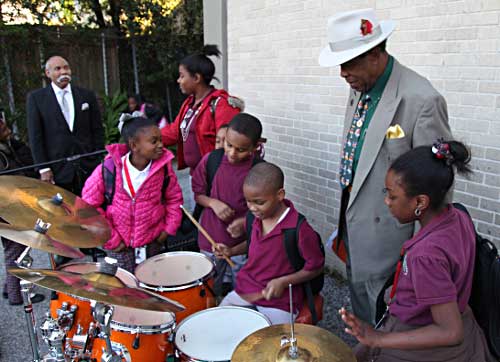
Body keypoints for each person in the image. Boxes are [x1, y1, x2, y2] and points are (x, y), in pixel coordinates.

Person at [319, 9, 452, 323]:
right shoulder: (360, 87)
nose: (342, 73)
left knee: (391, 322)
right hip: (354, 225)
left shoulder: (422, 99)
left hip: (394, 241)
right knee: (364, 313)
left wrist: (421, 254)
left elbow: (437, 185)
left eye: (349, 63)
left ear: (376, 55)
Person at [340, 140, 495, 362]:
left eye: (392, 196)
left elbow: (450, 332)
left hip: (425, 343)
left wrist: (378, 339)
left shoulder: (425, 256)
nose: (387, 201)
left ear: (420, 201)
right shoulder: (458, 216)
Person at [217, 162, 325, 325]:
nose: (252, 207)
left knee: (272, 343)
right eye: (248, 201)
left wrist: (283, 281)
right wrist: (231, 251)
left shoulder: (299, 228)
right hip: (249, 287)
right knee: (220, 321)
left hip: (280, 301)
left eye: (259, 202)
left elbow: (315, 267)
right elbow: (255, 245)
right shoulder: (254, 217)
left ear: (280, 195)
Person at [82, 116, 183, 273]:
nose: (161, 145)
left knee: (151, 284)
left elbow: (174, 200)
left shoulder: (164, 169)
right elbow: (88, 206)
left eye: (161, 140)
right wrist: (111, 239)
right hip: (118, 246)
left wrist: (167, 230)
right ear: (134, 145)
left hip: (152, 242)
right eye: (154, 141)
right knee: (123, 289)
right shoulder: (109, 168)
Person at [191, 113, 262, 290]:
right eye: (228, 145)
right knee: (209, 290)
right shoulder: (212, 160)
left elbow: (265, 209)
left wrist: (246, 221)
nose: (232, 153)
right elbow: (198, 194)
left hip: (243, 246)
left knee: (242, 290)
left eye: (241, 149)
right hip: (210, 240)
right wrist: (213, 203)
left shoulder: (259, 171)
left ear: (255, 147)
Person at [26, 55, 104, 196]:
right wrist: (43, 168)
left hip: (88, 167)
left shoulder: (86, 95)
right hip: (58, 170)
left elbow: (97, 129)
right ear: (48, 73)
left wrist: (97, 158)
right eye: (58, 69)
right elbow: (35, 137)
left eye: (66, 68)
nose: (64, 72)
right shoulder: (36, 99)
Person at [161, 44, 243, 174]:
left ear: (197, 78)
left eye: (182, 76)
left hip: (215, 176)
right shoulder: (189, 104)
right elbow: (174, 132)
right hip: (196, 175)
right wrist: (143, 137)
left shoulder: (221, 104)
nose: (178, 80)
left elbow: (231, 143)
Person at [0, 118, 45, 305]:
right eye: (2, 127)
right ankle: (16, 295)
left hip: (13, 206)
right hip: (8, 208)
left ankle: (7, 288)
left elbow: (26, 158)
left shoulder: (9, 146)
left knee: (14, 249)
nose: (7, 127)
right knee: (16, 251)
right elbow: (13, 176)